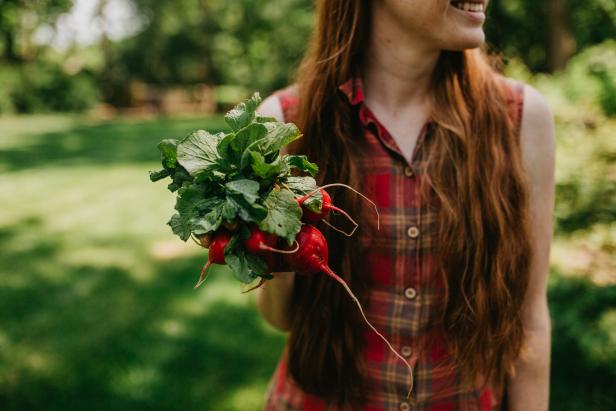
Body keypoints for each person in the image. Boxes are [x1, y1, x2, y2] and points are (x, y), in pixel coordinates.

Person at [253, 1, 555, 410]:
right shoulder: (285, 125)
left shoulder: (520, 119)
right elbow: (282, 317)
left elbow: (529, 318)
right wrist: (270, 250)